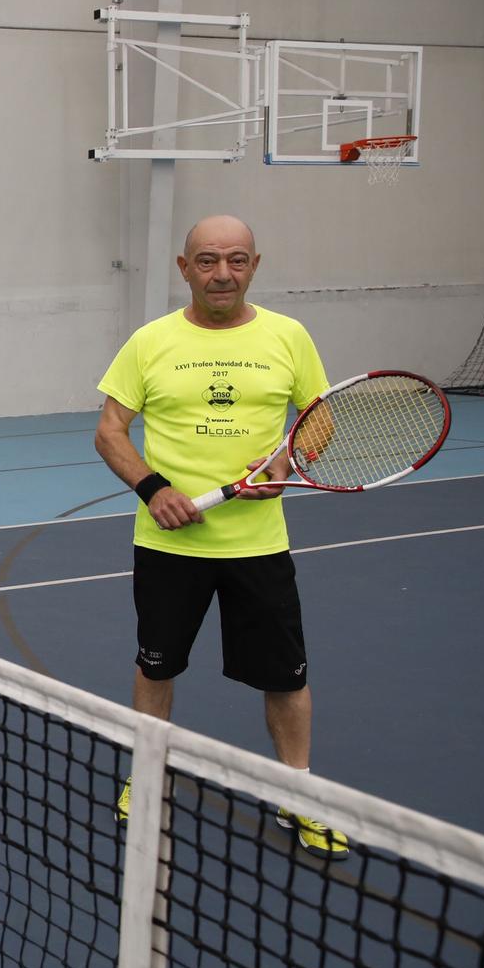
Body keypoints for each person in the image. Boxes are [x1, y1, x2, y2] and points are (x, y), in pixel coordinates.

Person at [94, 214, 347, 859]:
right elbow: (110, 431)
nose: (222, 273)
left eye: (236, 260)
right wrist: (155, 490)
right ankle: (146, 779)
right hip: (168, 548)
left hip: (259, 546)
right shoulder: (150, 342)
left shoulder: (289, 337)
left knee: (286, 679)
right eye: (207, 261)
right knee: (156, 667)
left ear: (254, 266)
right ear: (184, 269)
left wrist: (289, 462)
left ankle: (299, 794)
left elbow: (318, 422)